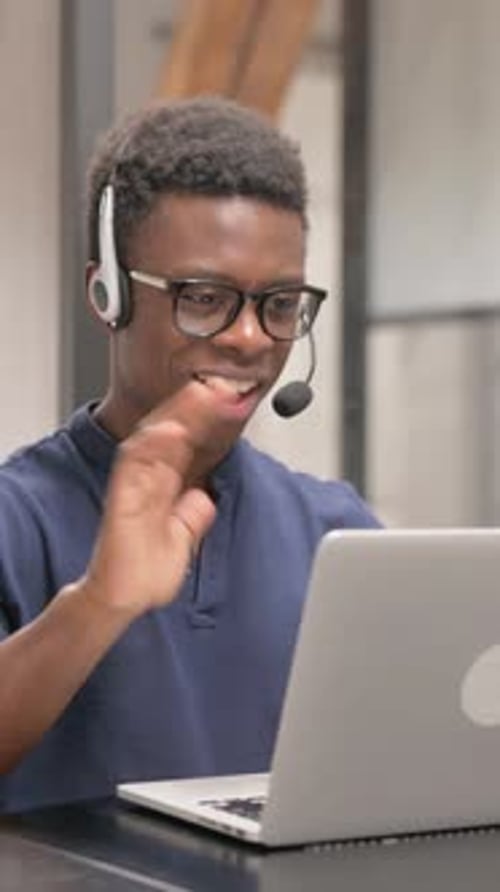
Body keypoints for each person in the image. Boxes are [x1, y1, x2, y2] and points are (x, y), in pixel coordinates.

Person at [0, 96, 379, 813]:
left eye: (279, 302)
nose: (250, 338)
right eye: (204, 297)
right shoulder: (15, 519)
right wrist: (99, 605)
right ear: (107, 295)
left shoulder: (337, 531)